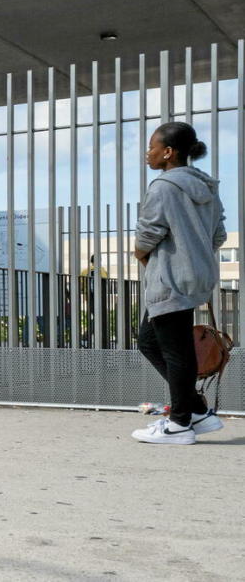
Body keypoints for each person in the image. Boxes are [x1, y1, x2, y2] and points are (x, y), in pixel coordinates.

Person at [131, 122, 227, 444]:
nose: (148, 154)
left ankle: (179, 424)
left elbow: (148, 234)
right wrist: (193, 256)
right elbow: (219, 235)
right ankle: (198, 411)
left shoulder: (163, 186)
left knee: (176, 351)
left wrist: (141, 255)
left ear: (168, 152)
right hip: (195, 277)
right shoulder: (207, 188)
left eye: (152, 148)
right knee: (150, 341)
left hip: (169, 279)